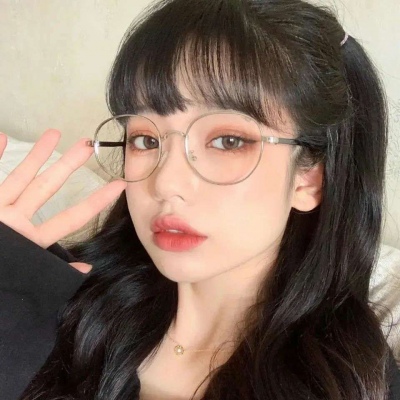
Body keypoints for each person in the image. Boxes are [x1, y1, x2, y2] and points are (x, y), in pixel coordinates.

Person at [0, 0, 399, 399]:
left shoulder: (354, 384)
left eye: (228, 141)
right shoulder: (50, 301)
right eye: (146, 140)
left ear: (309, 179)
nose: (165, 183)